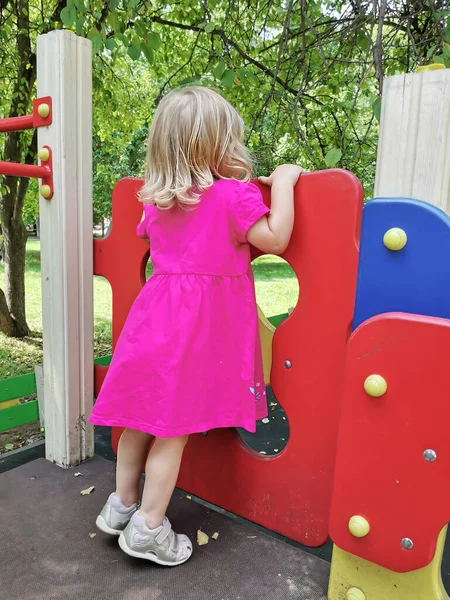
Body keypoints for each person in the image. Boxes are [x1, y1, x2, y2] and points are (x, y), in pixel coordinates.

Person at [89, 86, 302, 566]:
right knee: (173, 433)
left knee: (140, 422)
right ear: (213, 146)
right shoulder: (233, 196)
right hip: (194, 335)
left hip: (152, 326)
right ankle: (147, 529)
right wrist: (285, 182)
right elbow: (276, 238)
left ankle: (121, 505)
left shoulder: (157, 203)